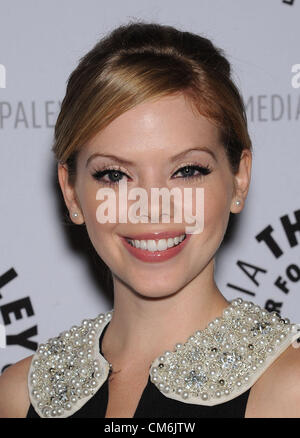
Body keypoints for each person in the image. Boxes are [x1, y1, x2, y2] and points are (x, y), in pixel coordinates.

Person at [0, 20, 299, 419]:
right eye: (115, 175)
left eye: (188, 170)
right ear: (71, 192)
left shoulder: (290, 389)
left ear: (239, 179)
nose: (152, 205)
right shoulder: (19, 396)